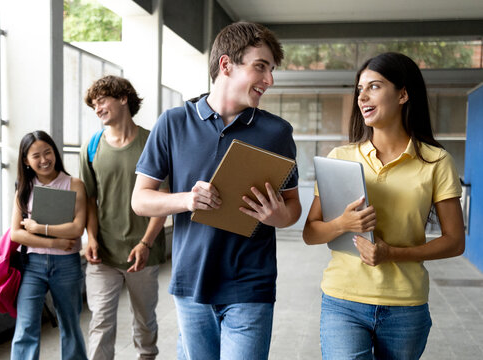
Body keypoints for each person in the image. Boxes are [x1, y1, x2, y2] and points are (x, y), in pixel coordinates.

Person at [132, 21, 302, 360]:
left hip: (250, 283)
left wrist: (277, 214)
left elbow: (293, 207)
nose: (269, 80)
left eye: (270, 70)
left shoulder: (277, 132)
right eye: (261, 67)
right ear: (226, 65)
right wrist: (186, 199)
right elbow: (140, 200)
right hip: (191, 282)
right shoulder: (173, 123)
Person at [303, 52, 465, 359]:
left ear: (403, 94)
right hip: (343, 300)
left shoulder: (436, 161)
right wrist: (343, 224)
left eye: (374, 86)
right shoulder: (340, 157)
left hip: (406, 305)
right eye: (359, 89)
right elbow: (311, 233)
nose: (362, 96)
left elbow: (455, 242)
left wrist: (392, 254)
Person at [80, 75, 167, 360]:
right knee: (101, 323)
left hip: (143, 252)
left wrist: (145, 243)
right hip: (103, 254)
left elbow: (163, 199)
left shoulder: (153, 142)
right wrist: (90, 237)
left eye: (102, 100)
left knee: (144, 324)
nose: (97, 108)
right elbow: (90, 200)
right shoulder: (91, 146)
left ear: (123, 98)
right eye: (93, 104)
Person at [10, 130, 87, 360]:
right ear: (26, 160)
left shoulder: (74, 184)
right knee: (26, 327)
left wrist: (39, 229)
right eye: (36, 156)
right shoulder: (23, 188)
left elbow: (77, 228)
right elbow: (16, 234)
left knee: (71, 325)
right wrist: (57, 241)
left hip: (67, 264)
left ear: (55, 153)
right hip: (32, 266)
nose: (44, 160)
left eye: (48, 152)